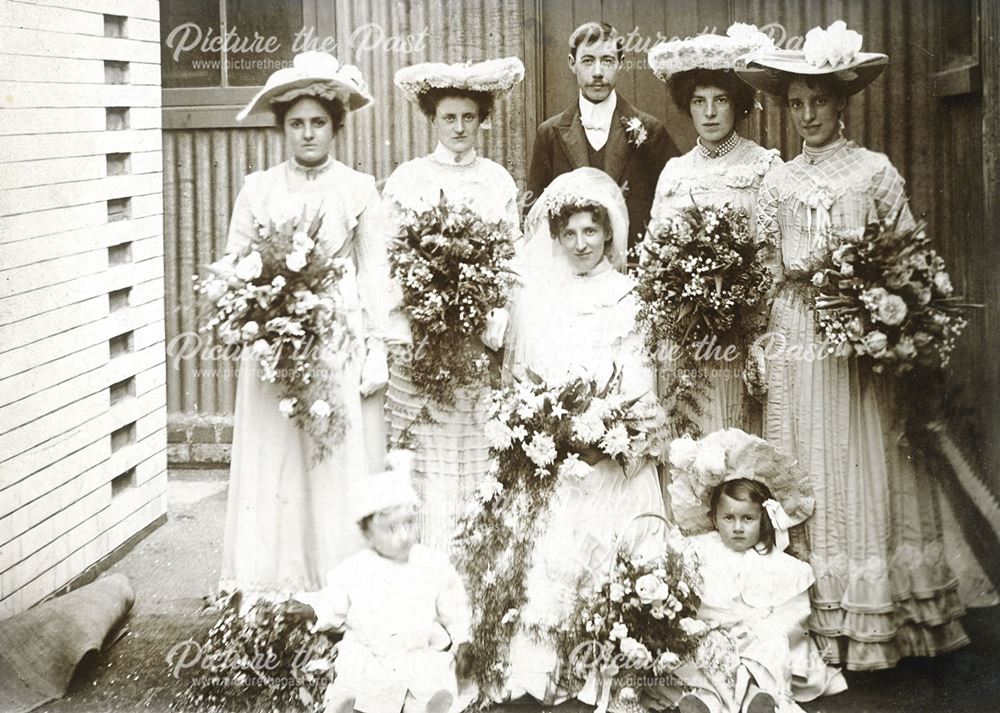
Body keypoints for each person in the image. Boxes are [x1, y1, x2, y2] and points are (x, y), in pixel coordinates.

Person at [735, 22, 973, 669]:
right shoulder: (778, 181)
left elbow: (912, 255)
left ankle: (868, 620)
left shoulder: (873, 172)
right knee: (800, 452)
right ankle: (804, 619)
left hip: (856, 339)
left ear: (842, 102)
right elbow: (762, 266)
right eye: (795, 103)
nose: (807, 114)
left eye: (817, 100)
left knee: (856, 454)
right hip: (794, 333)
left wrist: (900, 320)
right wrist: (759, 337)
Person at [219, 52, 392, 596]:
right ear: (283, 129)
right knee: (276, 461)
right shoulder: (259, 189)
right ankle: (271, 585)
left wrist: (378, 346)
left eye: (318, 122)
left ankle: (336, 588)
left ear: (335, 126)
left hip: (336, 339)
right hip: (275, 343)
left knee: (333, 457)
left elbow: (375, 275)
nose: (308, 133)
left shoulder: (359, 188)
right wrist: (252, 318)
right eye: (297, 124)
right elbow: (234, 267)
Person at [492, 168, 666, 705]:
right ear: (557, 238)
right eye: (570, 234)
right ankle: (548, 657)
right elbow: (535, 370)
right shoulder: (544, 298)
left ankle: (618, 657)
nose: (581, 243)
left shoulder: (629, 295)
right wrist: (553, 424)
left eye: (591, 232)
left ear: (609, 234)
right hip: (562, 443)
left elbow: (637, 371)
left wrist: (609, 428)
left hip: (610, 441)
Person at [383, 57, 524, 553]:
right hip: (426, 338)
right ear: (433, 119)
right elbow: (392, 261)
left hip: (477, 339)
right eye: (449, 117)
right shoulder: (408, 179)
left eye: (469, 116)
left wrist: (496, 315)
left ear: (481, 118)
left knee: (474, 444)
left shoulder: (497, 180)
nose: (460, 127)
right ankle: (425, 551)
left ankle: (473, 553)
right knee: (427, 446)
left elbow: (512, 259)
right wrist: (419, 314)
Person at [646, 25, 781, 437]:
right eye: (698, 101)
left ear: (738, 103)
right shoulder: (675, 171)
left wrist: (754, 328)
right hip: (682, 336)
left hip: (738, 334)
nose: (708, 112)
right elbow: (654, 254)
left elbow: (773, 256)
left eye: (720, 100)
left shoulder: (763, 166)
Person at [666, 428, 847, 713]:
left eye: (747, 519)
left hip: (755, 636)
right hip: (714, 634)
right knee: (700, 652)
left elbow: (790, 616)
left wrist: (755, 627)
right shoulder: (701, 548)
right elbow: (695, 600)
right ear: (714, 517)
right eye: (729, 518)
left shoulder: (773, 559)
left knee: (767, 650)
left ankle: (752, 698)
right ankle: (709, 702)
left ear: (762, 518)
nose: (737, 527)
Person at [291, 451, 472, 713]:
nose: (403, 536)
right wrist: (314, 610)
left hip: (419, 652)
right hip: (374, 657)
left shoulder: (432, 564)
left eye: (409, 524)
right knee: (365, 687)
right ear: (367, 534)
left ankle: (432, 706)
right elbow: (335, 602)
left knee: (430, 682)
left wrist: (462, 638)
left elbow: (453, 606)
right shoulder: (355, 569)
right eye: (391, 529)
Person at [527, 22, 679, 248]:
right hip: (573, 267)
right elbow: (533, 215)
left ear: (621, 63)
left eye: (607, 61)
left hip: (633, 268)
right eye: (588, 61)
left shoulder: (650, 131)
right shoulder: (550, 134)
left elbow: (674, 204)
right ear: (572, 64)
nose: (597, 72)